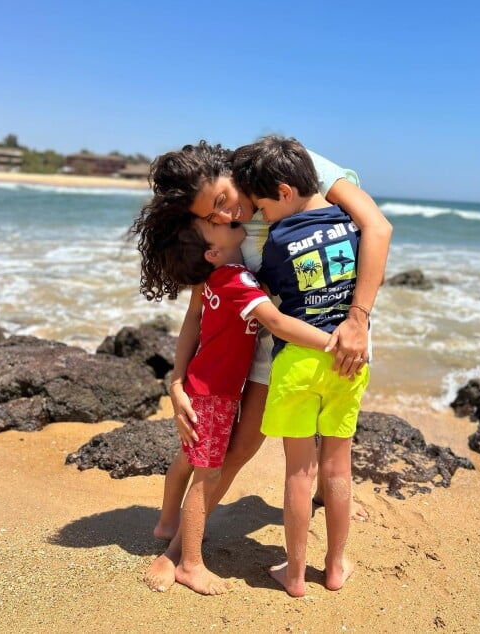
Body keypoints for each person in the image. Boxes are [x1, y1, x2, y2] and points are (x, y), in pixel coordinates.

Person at [135, 139, 392, 592]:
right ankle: (178, 550)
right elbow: (199, 306)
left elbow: (377, 228)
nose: (224, 217)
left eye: (222, 201)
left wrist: (357, 320)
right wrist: (177, 382)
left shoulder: (279, 169)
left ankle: (326, 514)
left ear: (228, 170)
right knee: (240, 450)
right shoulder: (217, 232)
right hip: (271, 345)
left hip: (335, 329)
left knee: (328, 455)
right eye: (210, 217)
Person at [137, 206, 334, 595]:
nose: (227, 217)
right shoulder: (236, 279)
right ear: (212, 252)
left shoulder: (215, 277)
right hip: (215, 393)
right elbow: (275, 323)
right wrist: (331, 341)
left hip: (206, 384)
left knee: (189, 459)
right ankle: (190, 564)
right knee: (207, 473)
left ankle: (165, 523)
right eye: (216, 224)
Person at [231, 135, 369, 596]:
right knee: (338, 469)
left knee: (298, 472)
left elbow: (269, 293)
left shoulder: (276, 243)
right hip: (350, 360)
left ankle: (293, 576)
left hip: (295, 365)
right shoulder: (351, 224)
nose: (259, 217)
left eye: (261, 207)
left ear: (285, 192)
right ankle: (334, 568)